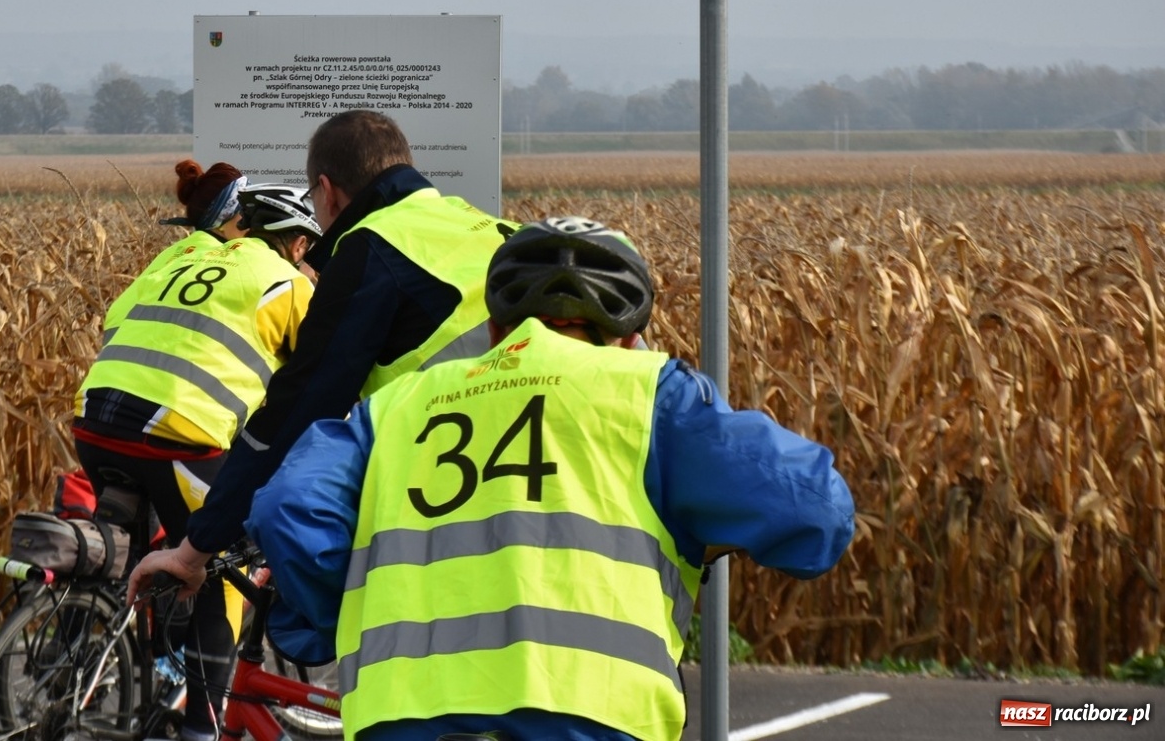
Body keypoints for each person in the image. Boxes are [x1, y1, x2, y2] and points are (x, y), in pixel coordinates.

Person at [246, 216, 856, 741]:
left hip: (400, 715)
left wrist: (340, 619)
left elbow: (287, 509)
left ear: (493, 330)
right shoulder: (648, 393)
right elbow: (816, 511)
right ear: (630, 339)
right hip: (587, 715)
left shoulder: (394, 407)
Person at [127, 110, 508, 603]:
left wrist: (192, 551)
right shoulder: (495, 228)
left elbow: (298, 408)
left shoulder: (371, 248)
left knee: (308, 562)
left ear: (327, 192)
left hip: (466, 479)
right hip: (557, 467)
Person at [73, 161, 319, 741]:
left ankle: (111, 665)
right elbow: (319, 380)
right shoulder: (289, 283)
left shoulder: (177, 257)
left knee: (134, 556)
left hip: (96, 419)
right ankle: (200, 729)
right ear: (298, 243)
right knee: (214, 563)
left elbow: (116, 323)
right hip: (179, 435)